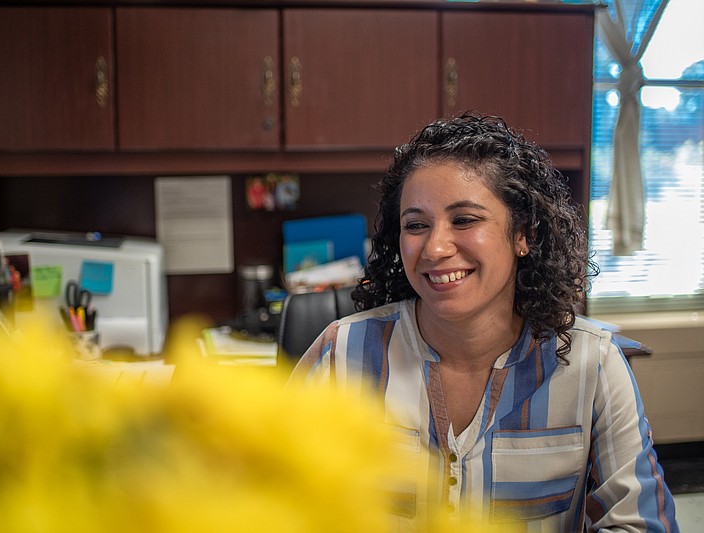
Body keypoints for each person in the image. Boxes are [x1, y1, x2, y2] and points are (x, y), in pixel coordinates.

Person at [289, 114, 678, 532]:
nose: (435, 248)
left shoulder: (594, 364)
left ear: (522, 234)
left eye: (465, 220)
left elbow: (642, 524)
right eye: (416, 225)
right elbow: (269, 502)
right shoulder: (340, 354)